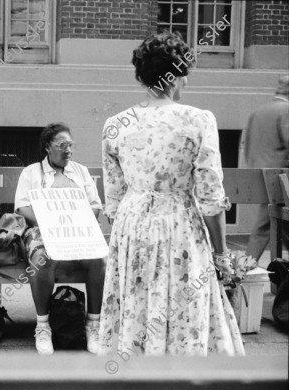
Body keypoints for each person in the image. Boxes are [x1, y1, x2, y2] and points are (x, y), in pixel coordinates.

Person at [99, 32, 244, 356]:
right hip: (179, 225)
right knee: (184, 308)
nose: (187, 82)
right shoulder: (198, 120)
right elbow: (210, 198)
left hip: (131, 227)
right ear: (176, 75)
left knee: (135, 307)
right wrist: (220, 256)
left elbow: (113, 198)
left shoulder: (116, 125)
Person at [14, 123, 106, 355]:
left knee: (99, 258)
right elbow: (22, 207)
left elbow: (95, 205)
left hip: (78, 231)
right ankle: (43, 326)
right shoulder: (31, 172)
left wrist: (80, 221)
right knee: (43, 257)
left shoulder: (81, 172)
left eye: (70, 146)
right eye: (62, 146)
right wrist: (48, 223)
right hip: (41, 231)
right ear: (47, 147)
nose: (68, 151)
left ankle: (93, 325)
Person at [241, 75, 289, 266]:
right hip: (278, 180)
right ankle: (241, 271)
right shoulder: (286, 110)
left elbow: (247, 144)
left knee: (280, 225)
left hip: (258, 174)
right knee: (265, 226)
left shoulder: (259, 111)